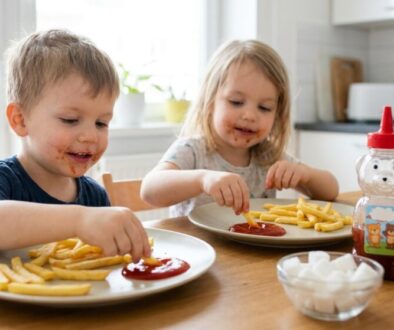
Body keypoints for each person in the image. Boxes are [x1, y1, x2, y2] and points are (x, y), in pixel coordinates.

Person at [141, 39, 339, 217]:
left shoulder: (269, 156)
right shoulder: (193, 151)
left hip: (251, 256)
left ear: (277, 115)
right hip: (197, 253)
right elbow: (149, 190)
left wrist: (306, 174)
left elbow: (331, 191)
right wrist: (203, 179)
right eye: (236, 102)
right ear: (210, 102)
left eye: (264, 107)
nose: (250, 115)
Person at [0, 29, 150, 261]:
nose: (91, 136)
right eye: (70, 120)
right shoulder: (6, 179)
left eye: (101, 123)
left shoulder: (95, 196)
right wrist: (79, 220)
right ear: (20, 120)